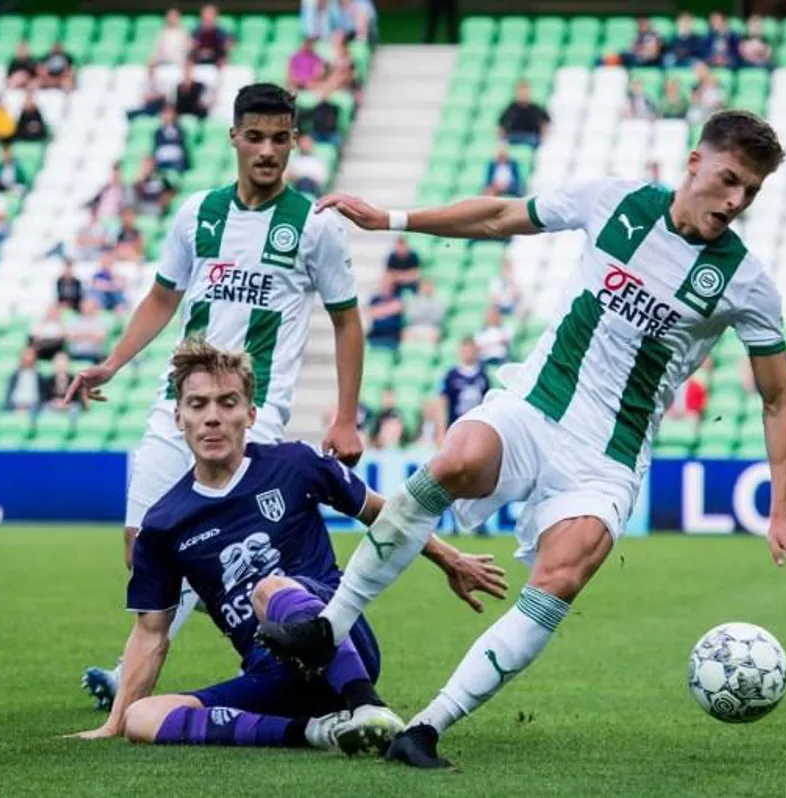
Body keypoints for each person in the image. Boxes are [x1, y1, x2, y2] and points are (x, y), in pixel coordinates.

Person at [257, 110, 786, 769]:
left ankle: (427, 728)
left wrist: (782, 510)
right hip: (534, 404)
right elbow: (500, 216)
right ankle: (330, 627)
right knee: (456, 461)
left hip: (606, 458)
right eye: (729, 180)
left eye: (751, 192)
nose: (736, 200)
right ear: (694, 162)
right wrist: (393, 220)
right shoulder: (616, 202)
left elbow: (779, 398)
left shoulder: (745, 282)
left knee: (563, 573)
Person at [67, 84, 367, 708]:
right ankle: (221, 615)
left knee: (226, 554)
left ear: (293, 141)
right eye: (255, 137)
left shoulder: (314, 228)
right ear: (233, 137)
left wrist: (345, 417)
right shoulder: (197, 213)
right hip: (175, 407)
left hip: (251, 419)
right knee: (143, 549)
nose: (267, 151)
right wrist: (112, 365)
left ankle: (142, 679)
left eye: (279, 139)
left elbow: (346, 320)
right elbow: (162, 297)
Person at [69, 340, 504, 750]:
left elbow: (384, 514)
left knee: (268, 588)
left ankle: (367, 705)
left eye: (228, 402)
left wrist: (451, 559)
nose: (212, 417)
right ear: (178, 418)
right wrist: (115, 722)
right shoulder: (164, 523)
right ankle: (317, 732)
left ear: (251, 414)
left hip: (339, 644)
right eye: (197, 404)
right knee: (143, 719)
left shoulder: (294, 464)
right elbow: (150, 635)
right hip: (271, 675)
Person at [441, 337, 489, 427]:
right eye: (466, 351)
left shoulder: (482, 375)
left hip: (476, 422)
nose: (469, 354)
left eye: (471, 351)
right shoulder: (451, 375)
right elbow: (444, 400)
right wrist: (441, 427)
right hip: (455, 422)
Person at [497, 80, 550, 148]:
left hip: (531, 137)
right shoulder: (511, 108)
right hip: (513, 137)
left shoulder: (535, 108)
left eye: (525, 90)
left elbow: (546, 122)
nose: (523, 93)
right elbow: (500, 125)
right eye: (521, 90)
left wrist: (543, 136)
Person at [65, 296, 110, 363]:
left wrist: (80, 335)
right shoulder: (74, 320)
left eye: (90, 305)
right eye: (85, 305)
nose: (87, 307)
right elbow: (69, 337)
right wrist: (91, 335)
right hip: (76, 354)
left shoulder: (100, 321)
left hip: (95, 354)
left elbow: (100, 338)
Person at [5, 346, 49, 412]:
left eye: (31, 356)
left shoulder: (39, 375)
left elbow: (43, 395)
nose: (28, 359)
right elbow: (9, 393)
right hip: (15, 403)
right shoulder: (15, 375)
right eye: (26, 356)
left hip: (33, 404)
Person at [402, 279, 445, 343]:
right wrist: (428, 312)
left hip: (431, 327)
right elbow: (410, 316)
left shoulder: (438, 301)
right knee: (405, 334)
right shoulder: (414, 300)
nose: (427, 288)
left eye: (429, 286)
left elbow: (438, 318)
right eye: (425, 286)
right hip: (415, 326)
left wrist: (421, 312)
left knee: (435, 335)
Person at [152, 106, 189, 173]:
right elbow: (156, 147)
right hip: (161, 159)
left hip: (175, 159)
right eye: (165, 113)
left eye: (169, 113)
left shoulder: (180, 130)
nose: (167, 116)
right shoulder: (158, 131)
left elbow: (181, 145)